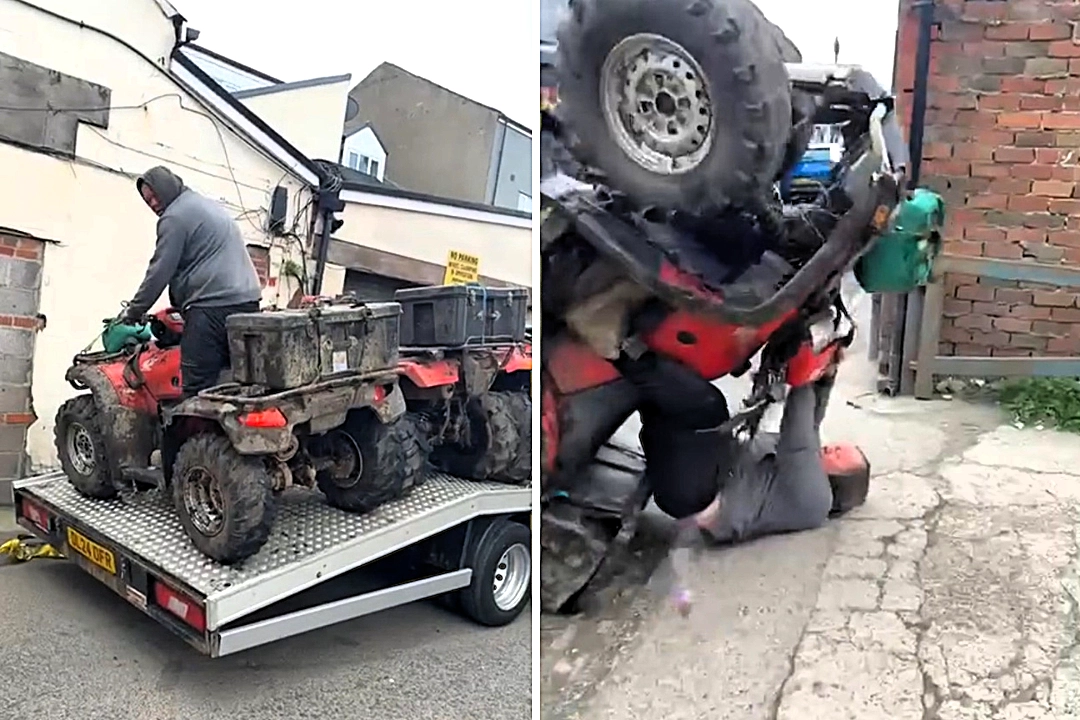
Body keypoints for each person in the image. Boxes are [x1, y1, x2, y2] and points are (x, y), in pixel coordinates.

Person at [691, 344, 871, 545]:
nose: (830, 447)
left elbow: (798, 437)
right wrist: (826, 377)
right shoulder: (813, 472)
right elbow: (812, 423)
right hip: (720, 465)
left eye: (838, 454)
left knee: (698, 401)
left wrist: (806, 370)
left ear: (841, 479)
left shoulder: (817, 500)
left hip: (712, 496)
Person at [122, 165, 263, 397]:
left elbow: (159, 270)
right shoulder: (201, 204)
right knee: (236, 381)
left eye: (155, 196)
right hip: (247, 304)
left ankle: (193, 433)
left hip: (211, 308)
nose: (154, 204)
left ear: (167, 188)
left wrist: (134, 310)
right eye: (148, 201)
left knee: (197, 387)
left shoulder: (175, 217)